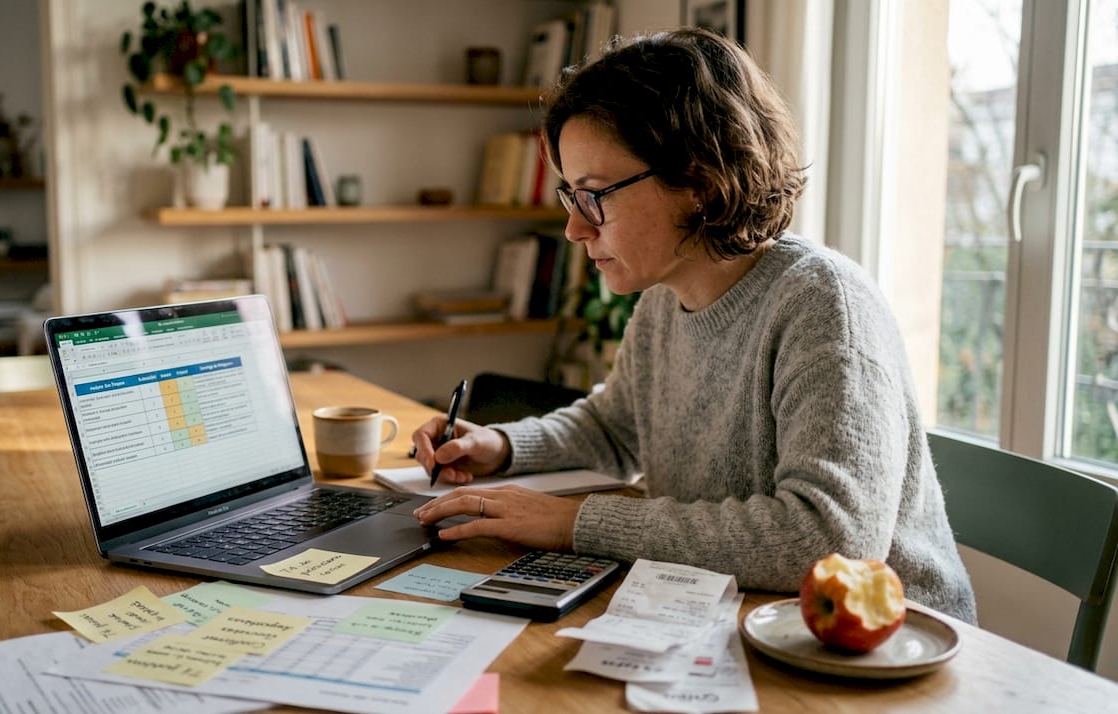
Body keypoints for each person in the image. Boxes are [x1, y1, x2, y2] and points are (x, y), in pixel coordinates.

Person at [410, 28, 977, 623]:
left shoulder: (822, 305)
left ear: (699, 180)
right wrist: (501, 447)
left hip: (888, 649)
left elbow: (829, 539)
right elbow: (616, 427)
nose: (576, 230)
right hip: (738, 614)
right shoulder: (665, 294)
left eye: (595, 196)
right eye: (570, 196)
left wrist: (575, 523)